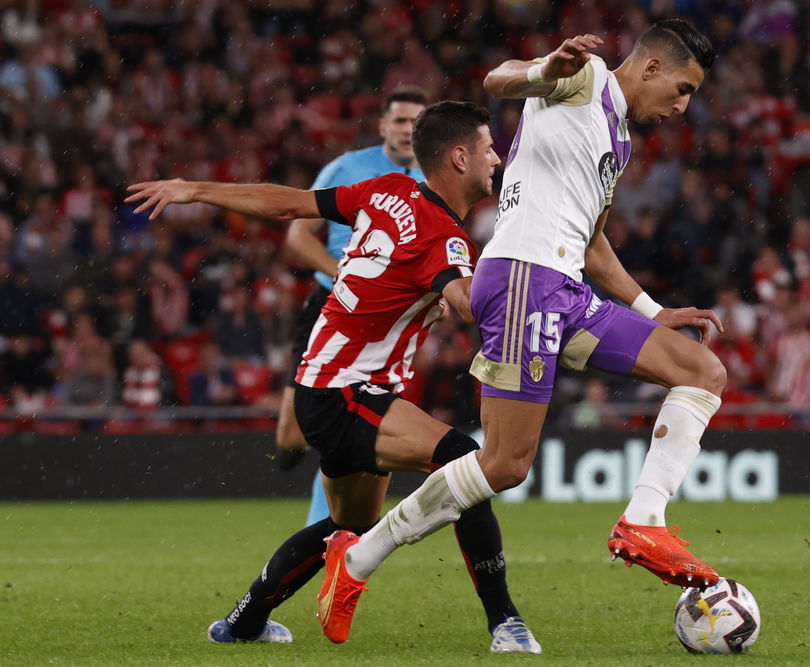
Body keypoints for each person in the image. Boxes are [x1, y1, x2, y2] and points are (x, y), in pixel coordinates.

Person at [323, 20, 726, 644]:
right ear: (649, 68)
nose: (682, 105)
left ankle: (644, 520)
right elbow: (499, 79)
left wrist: (650, 310)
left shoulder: (616, 139)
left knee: (702, 370)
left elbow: (592, 245)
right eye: (682, 88)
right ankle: (354, 561)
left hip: (564, 288)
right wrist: (544, 70)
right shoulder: (581, 78)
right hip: (520, 282)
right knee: (506, 464)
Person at [125, 101, 541, 653]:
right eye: (489, 147)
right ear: (460, 157)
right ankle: (505, 623)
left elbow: (287, 207)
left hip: (320, 389)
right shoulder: (445, 239)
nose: (497, 157)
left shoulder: (386, 189)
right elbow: (466, 302)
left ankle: (244, 622)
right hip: (348, 391)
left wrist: (195, 188)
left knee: (345, 529)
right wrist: (522, 277)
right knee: (469, 465)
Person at [279, 86, 427, 527]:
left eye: (416, 123)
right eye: (399, 121)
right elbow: (297, 234)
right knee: (290, 435)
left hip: (386, 314)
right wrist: (342, 274)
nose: (407, 130)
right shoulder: (348, 168)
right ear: (383, 125)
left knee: (352, 432)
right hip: (332, 302)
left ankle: (328, 534)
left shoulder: (434, 178)